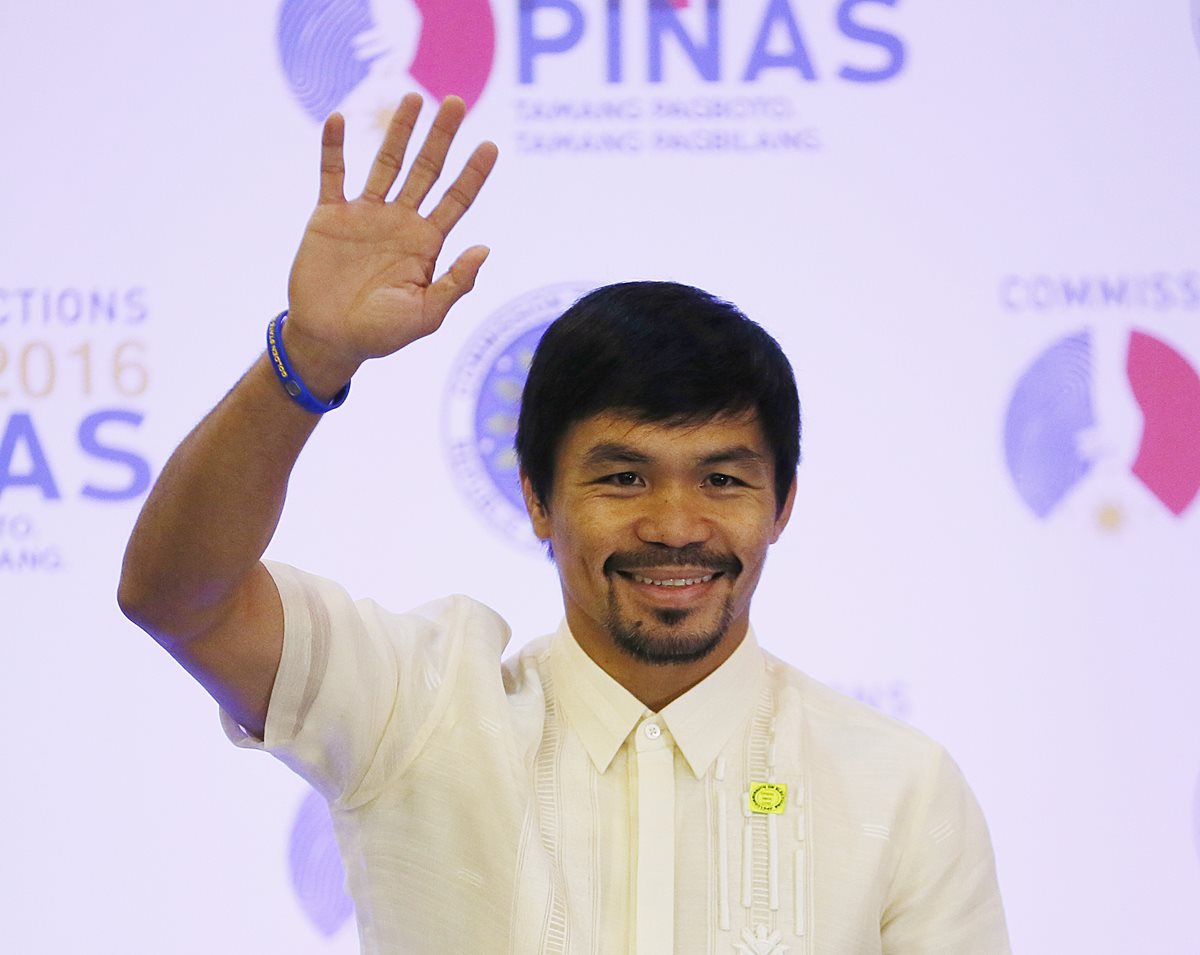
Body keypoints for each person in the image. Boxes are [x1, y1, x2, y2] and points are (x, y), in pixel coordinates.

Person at [119, 93, 1010, 954]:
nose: (674, 524)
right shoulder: (416, 708)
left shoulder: (898, 790)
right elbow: (179, 597)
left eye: (723, 478)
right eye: (623, 477)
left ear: (781, 505)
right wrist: (307, 360)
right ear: (538, 498)